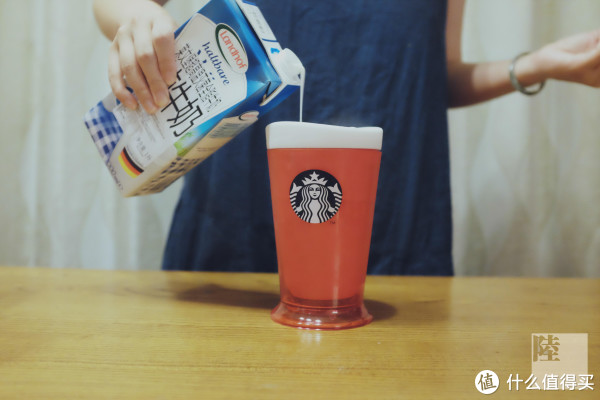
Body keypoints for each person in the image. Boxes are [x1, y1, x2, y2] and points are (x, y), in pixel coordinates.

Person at [93, 0, 600, 275]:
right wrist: (139, 18)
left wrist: (535, 66)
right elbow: (111, 5)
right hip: (236, 224)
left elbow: (432, 75)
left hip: (393, 226)